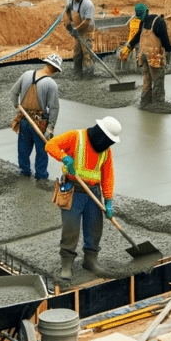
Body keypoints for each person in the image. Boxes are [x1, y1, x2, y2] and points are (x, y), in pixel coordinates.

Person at [45, 116, 121, 281]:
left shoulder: (106, 151)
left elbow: (107, 175)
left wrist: (108, 200)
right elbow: (51, 145)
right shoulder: (75, 137)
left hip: (93, 193)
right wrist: (64, 157)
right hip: (73, 190)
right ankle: (67, 264)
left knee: (94, 228)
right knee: (70, 229)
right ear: (99, 133)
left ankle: (90, 261)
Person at [10, 54, 62, 180]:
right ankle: (41, 176)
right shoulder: (51, 84)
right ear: (55, 69)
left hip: (24, 118)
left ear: (46, 64)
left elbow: (13, 92)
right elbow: (54, 108)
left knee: (23, 149)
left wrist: (17, 105)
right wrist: (50, 128)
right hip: (40, 123)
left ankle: (24, 173)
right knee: (42, 152)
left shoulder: (26, 74)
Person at [123, 3, 171, 110]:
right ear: (147, 11)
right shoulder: (159, 22)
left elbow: (138, 35)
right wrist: (168, 53)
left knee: (147, 79)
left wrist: (130, 45)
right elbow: (165, 40)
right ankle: (158, 104)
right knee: (158, 79)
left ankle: (144, 103)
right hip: (154, 57)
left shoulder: (143, 22)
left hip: (143, 55)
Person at [64, 0, 96, 79]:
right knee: (77, 52)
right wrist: (68, 25)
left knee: (87, 53)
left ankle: (89, 75)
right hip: (77, 29)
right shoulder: (70, 1)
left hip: (87, 30)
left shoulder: (88, 4)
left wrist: (76, 29)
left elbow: (87, 21)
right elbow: (65, 12)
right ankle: (78, 73)